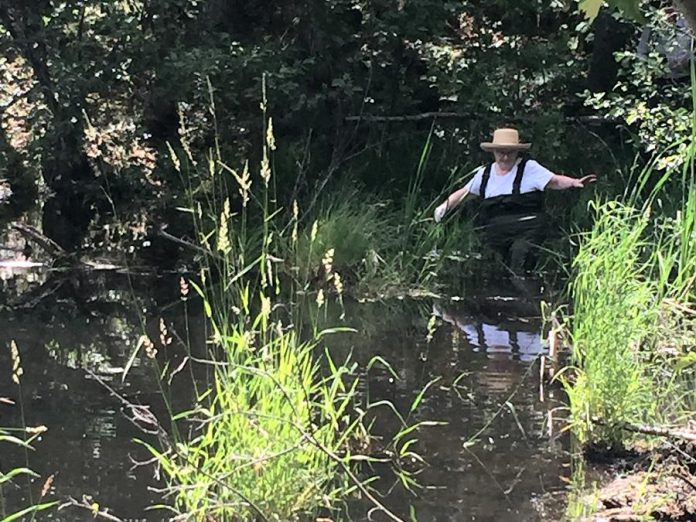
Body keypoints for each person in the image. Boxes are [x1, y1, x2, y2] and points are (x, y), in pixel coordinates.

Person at [434, 127, 596, 273]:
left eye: (509, 152)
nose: (505, 157)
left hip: (528, 230)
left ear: (517, 152)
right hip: (497, 236)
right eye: (501, 152)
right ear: (493, 152)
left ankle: (527, 303)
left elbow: (554, 181)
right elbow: (464, 193)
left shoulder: (529, 168)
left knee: (520, 267)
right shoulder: (484, 174)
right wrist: (444, 207)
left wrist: (574, 182)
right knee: (497, 274)